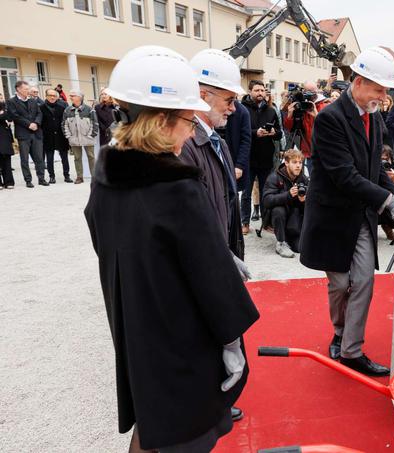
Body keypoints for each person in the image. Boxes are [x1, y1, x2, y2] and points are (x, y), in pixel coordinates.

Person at [84, 45, 259, 453]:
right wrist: (233, 345)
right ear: (161, 122)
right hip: (182, 341)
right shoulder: (176, 187)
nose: (191, 129)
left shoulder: (107, 175)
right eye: (186, 119)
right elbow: (213, 279)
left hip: (136, 328)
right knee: (186, 432)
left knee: (151, 423)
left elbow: (106, 246)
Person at [300, 47, 394, 376]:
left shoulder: (375, 118)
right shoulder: (330, 119)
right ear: (359, 82)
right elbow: (344, 175)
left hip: (360, 214)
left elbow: (374, 170)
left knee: (363, 280)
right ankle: (339, 332)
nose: (384, 95)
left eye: (385, 90)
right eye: (378, 89)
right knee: (340, 284)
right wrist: (388, 202)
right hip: (332, 218)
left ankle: (351, 350)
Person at [182, 47, 249, 273]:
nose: (233, 108)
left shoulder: (218, 142)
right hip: (208, 263)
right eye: (229, 100)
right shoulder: (184, 145)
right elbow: (192, 217)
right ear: (203, 96)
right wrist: (224, 256)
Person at [241, 80, 282, 235]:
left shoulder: (271, 110)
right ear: (250, 91)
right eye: (257, 90)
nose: (260, 93)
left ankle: (266, 222)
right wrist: (255, 133)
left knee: (267, 192)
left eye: (262, 90)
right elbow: (241, 132)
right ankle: (245, 223)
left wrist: (273, 133)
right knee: (246, 193)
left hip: (266, 158)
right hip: (248, 158)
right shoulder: (243, 109)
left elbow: (279, 133)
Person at [261, 149, 309, 258]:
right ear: (286, 163)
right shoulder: (274, 177)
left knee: (300, 249)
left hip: (294, 219)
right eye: (294, 162)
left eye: (300, 162)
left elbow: (312, 203)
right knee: (278, 210)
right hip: (279, 216)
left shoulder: (303, 179)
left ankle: (291, 238)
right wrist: (288, 195)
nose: (298, 166)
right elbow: (267, 201)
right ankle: (281, 242)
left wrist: (304, 201)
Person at [283, 80, 330, 174]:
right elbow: (289, 128)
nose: (309, 95)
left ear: (317, 91)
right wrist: (289, 115)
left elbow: (330, 128)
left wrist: (316, 115)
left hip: (323, 151)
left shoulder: (325, 105)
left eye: (312, 91)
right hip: (308, 150)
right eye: (306, 91)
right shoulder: (300, 105)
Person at [6, 80, 48, 187]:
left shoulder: (33, 101)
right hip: (23, 134)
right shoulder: (11, 102)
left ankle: (41, 178)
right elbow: (15, 116)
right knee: (24, 159)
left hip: (36, 132)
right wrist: (29, 124)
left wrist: (36, 123)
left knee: (39, 158)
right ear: (18, 89)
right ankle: (28, 180)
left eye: (28, 89)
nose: (28, 91)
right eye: (26, 89)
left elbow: (39, 113)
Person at [62, 90, 98, 184]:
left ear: (79, 97)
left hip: (88, 138)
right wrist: (69, 136)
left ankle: (94, 177)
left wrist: (91, 135)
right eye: (70, 96)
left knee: (91, 157)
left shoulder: (89, 109)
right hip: (74, 139)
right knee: (77, 158)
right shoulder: (67, 110)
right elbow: (64, 124)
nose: (70, 97)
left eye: (73, 96)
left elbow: (95, 123)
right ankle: (79, 177)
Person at [40, 89, 72, 183]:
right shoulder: (41, 108)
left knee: (64, 157)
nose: (52, 97)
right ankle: (51, 176)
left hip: (61, 136)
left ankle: (67, 175)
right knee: (49, 158)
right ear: (46, 96)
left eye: (54, 95)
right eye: (50, 95)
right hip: (48, 136)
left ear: (57, 97)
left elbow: (66, 121)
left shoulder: (62, 107)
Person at [0, 93, 15, 188]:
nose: (1, 99)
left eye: (1, 97)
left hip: (5, 136)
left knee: (6, 159)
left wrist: (3, 114)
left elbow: (10, 117)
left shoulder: (6, 108)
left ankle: (9, 182)